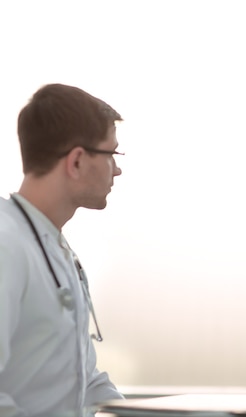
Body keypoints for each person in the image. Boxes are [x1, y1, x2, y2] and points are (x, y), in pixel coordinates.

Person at [0, 83, 125, 416]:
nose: (117, 168)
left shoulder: (53, 245)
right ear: (78, 162)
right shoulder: (6, 246)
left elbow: (84, 379)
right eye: (112, 154)